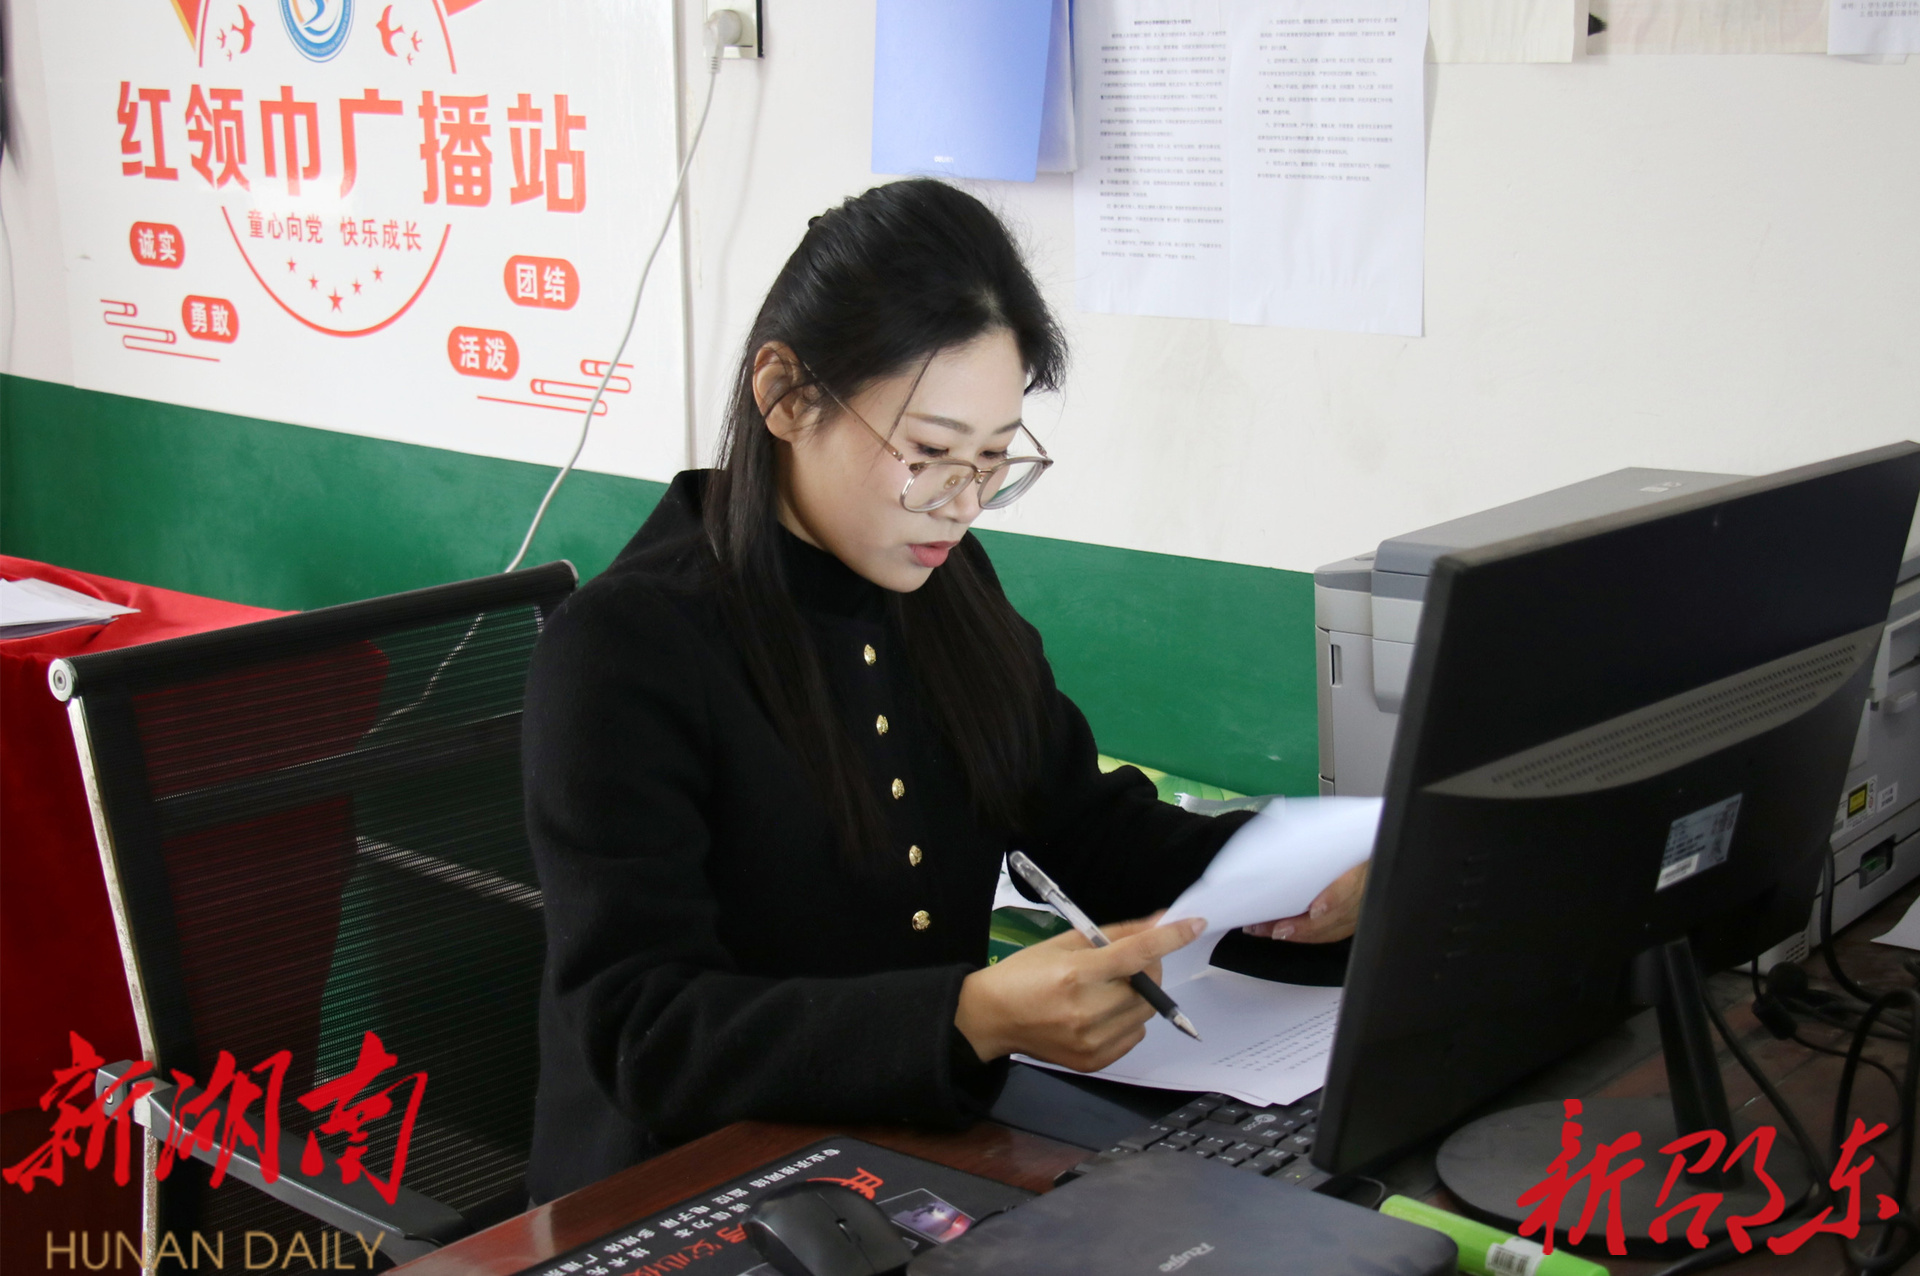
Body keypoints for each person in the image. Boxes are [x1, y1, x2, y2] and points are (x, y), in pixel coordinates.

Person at [520, 178, 1367, 1202]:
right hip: (688, 1190)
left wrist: (1302, 877)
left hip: (916, 1152)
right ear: (786, 395)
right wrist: (968, 1017)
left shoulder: (945, 587)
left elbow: (1087, 830)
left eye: (994, 460)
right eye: (928, 455)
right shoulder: (626, 646)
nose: (961, 505)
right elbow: (644, 1033)